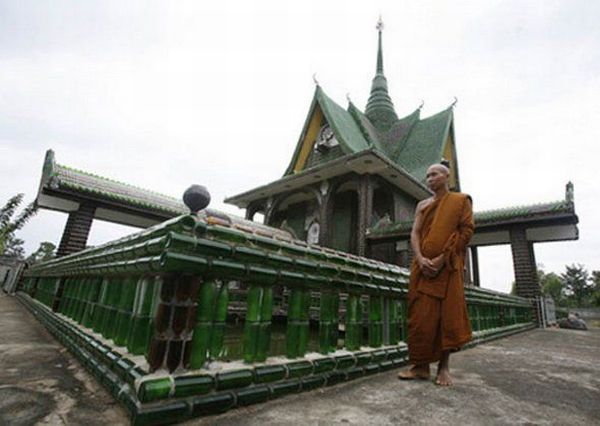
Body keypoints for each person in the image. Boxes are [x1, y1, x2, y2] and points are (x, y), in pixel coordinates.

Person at [397, 163, 474, 386]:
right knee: (420, 317)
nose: (429, 178)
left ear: (446, 176)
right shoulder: (423, 204)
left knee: (445, 317)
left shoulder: (460, 201)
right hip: (422, 269)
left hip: (448, 268)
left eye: (435, 174)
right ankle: (420, 367)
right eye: (427, 175)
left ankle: (443, 367)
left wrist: (441, 259)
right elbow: (415, 233)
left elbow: (466, 231)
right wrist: (420, 259)